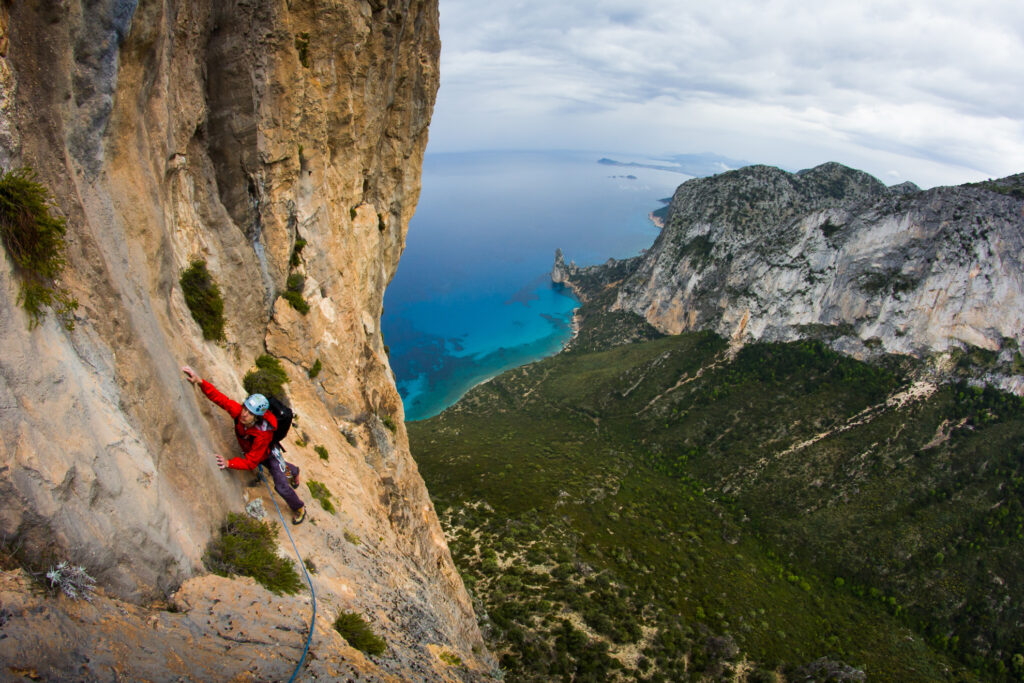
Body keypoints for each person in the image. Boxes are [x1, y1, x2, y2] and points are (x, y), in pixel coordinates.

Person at [182, 365, 306, 524]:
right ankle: (295, 471)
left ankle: (299, 507)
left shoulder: (262, 435)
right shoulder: (240, 412)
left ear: (257, 418)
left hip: (268, 452)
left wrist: (229, 463)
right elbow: (221, 399)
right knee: (275, 466)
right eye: (245, 409)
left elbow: (251, 462)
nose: (244, 414)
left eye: (249, 413)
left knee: (281, 485)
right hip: (257, 451)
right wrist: (200, 381)